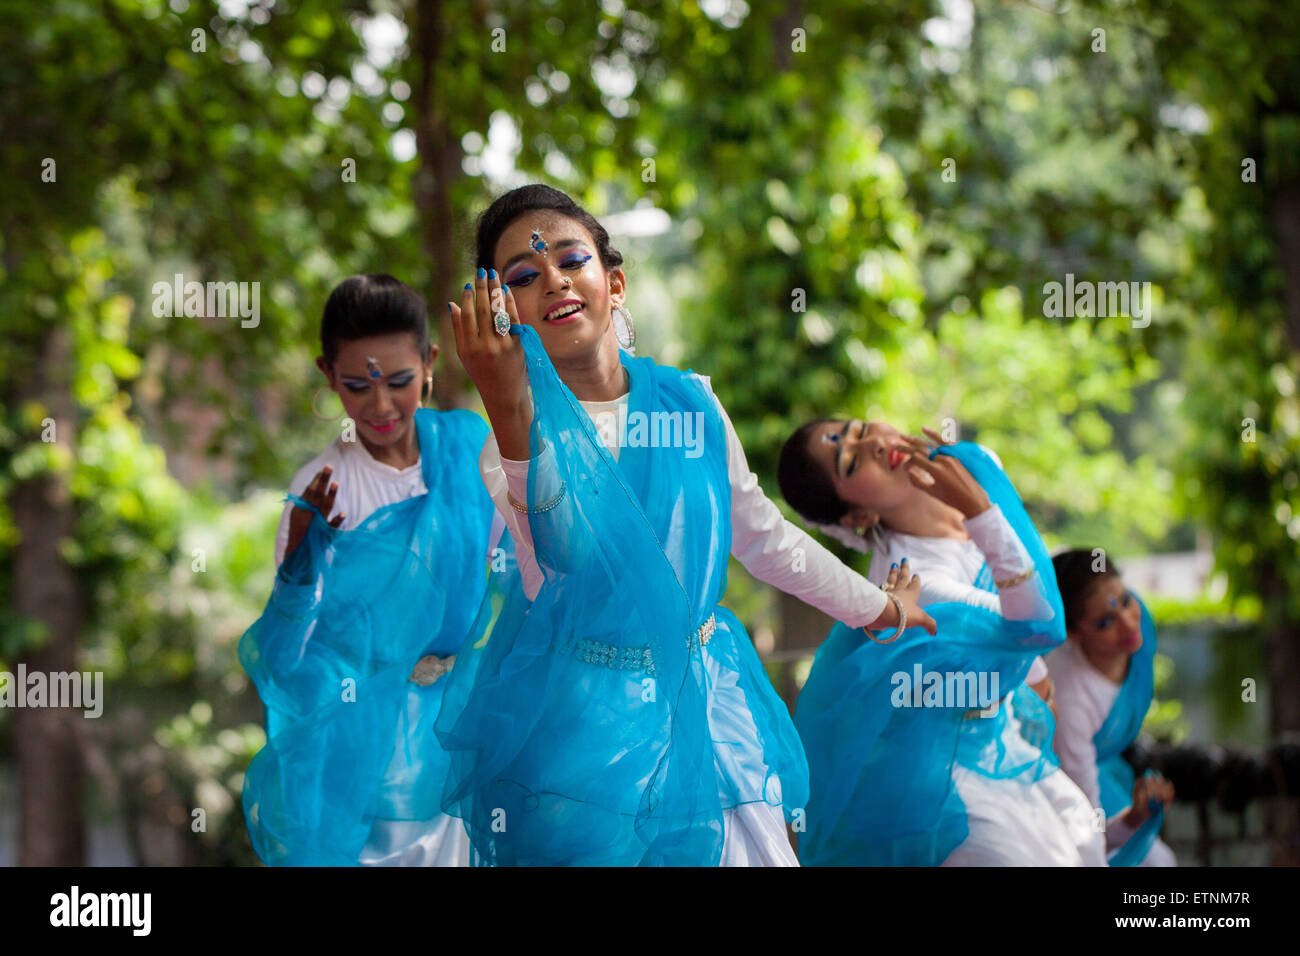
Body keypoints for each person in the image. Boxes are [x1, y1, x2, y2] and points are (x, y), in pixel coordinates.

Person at [434, 184, 935, 866]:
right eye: (522, 276)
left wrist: (880, 609)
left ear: (613, 281)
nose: (552, 279)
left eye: (570, 260)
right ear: (502, 312)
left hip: (710, 698)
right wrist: (505, 404)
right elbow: (567, 553)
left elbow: (762, 537)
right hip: (589, 733)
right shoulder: (512, 439)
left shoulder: (690, 400)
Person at [240, 274, 498, 866]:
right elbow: (288, 659)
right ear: (327, 375)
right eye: (357, 386)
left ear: (430, 362)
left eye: (400, 382)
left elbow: (523, 570)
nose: (381, 407)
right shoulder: (319, 491)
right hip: (370, 754)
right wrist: (299, 572)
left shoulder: (472, 448)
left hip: (468, 724)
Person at [778, 420, 1105, 865]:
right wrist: (981, 510)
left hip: (1002, 736)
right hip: (944, 771)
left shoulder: (977, 466)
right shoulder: (916, 581)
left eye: (857, 429)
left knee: (1087, 836)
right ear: (858, 518)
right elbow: (1036, 625)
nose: (874, 443)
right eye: (851, 463)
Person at [1047, 550, 1177, 866]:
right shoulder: (1072, 705)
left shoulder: (1135, 622)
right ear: (1072, 634)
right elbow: (1087, 833)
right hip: (1070, 785)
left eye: (1126, 600)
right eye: (1105, 622)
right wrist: (1133, 818)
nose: (1129, 622)